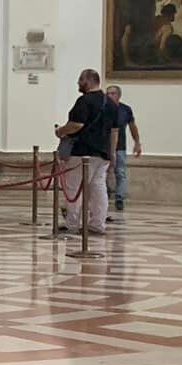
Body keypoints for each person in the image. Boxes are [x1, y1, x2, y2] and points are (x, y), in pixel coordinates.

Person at [55, 69, 115, 239]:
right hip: (102, 153)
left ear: (87, 81)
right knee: (98, 188)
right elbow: (114, 131)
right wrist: (112, 152)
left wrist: (61, 131)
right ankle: (97, 223)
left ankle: (72, 224)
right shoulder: (110, 103)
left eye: (80, 80)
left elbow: (77, 124)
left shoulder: (84, 101)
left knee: (73, 187)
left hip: (82, 152)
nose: (78, 84)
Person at [105, 84, 141, 213]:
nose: (109, 96)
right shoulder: (102, 108)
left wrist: (137, 142)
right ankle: (105, 194)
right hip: (104, 146)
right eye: (108, 93)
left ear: (119, 95)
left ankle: (119, 197)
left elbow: (132, 126)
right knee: (103, 172)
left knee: (120, 172)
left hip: (120, 146)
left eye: (112, 93)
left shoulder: (125, 110)